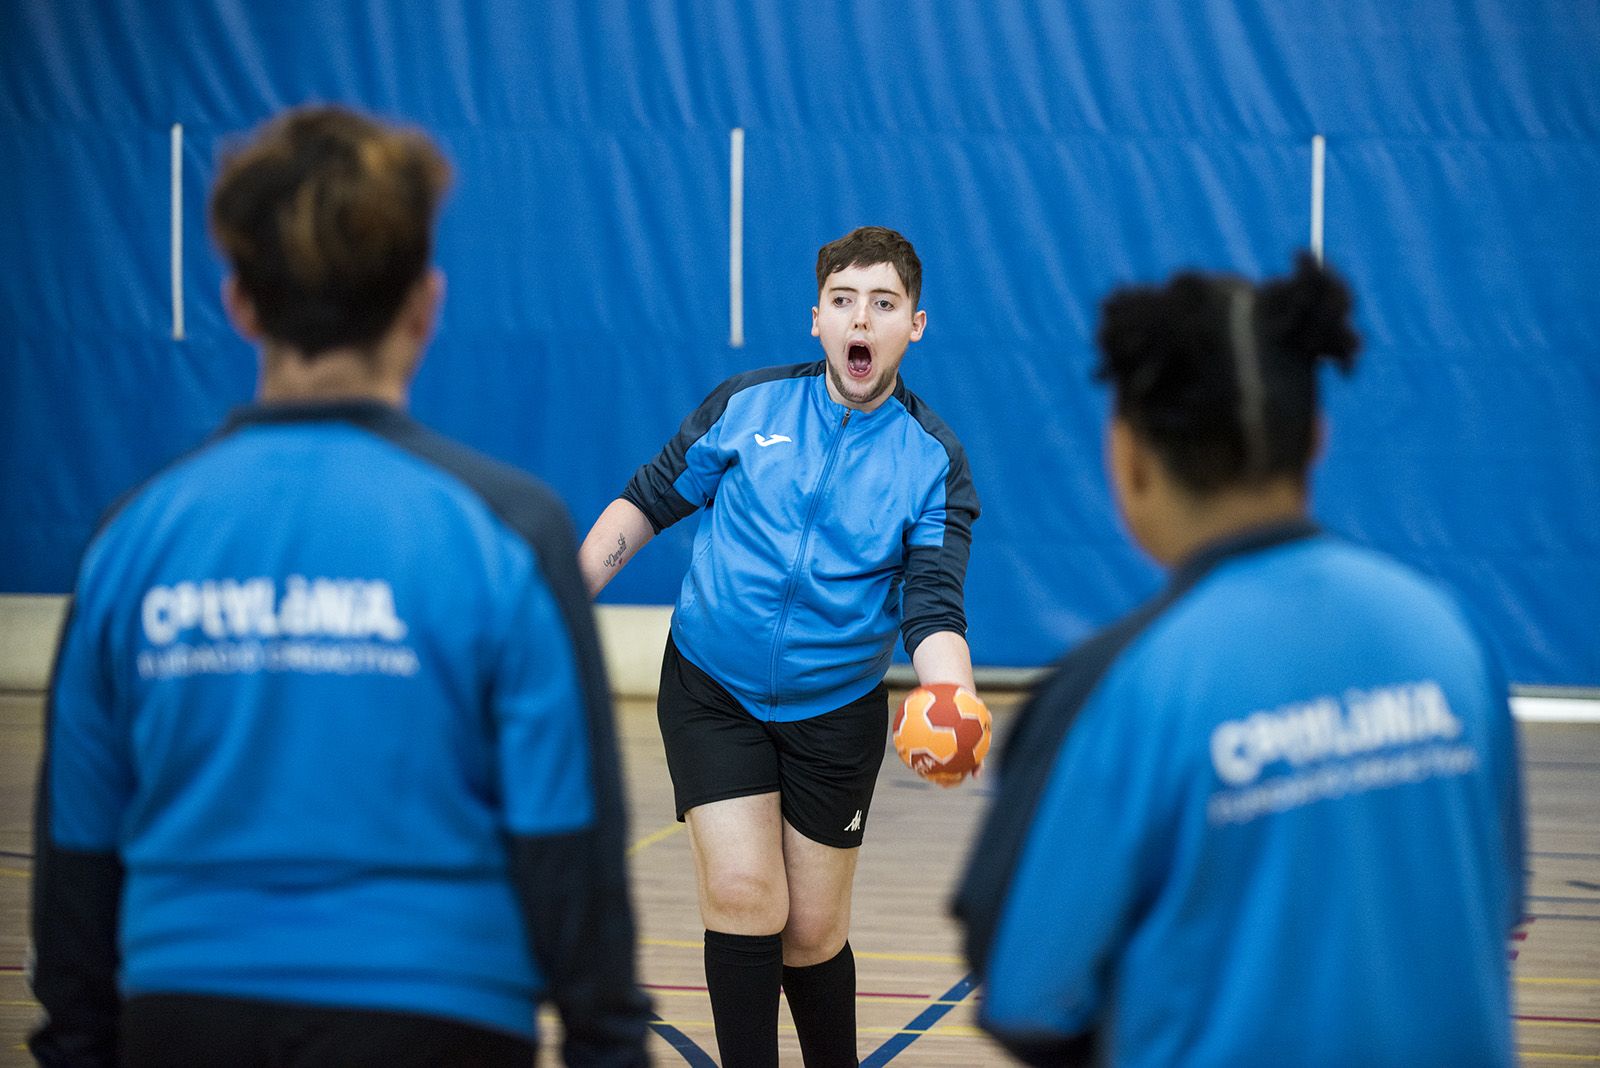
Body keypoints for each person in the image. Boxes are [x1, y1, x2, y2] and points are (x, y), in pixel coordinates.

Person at [30, 106, 650, 1067]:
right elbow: (567, 840)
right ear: (424, 305)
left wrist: (80, 1043)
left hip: (184, 1017)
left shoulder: (131, 540)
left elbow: (76, 852)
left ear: (239, 302)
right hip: (442, 1020)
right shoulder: (508, 534)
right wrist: (607, 1041)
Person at [954, 254, 1525, 1066]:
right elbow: (1493, 913)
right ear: (1316, 439)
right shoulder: (1453, 636)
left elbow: (1028, 996)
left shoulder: (1114, 691)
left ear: (1130, 456)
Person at [578, 226, 980, 1067]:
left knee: (809, 931)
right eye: (843, 302)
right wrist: (558, 600)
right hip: (711, 688)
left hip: (833, 713)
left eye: (882, 303)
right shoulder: (748, 406)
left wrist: (951, 694)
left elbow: (934, 604)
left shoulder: (931, 461)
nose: (859, 320)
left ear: (915, 324)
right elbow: (645, 503)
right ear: (816, 320)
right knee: (743, 894)